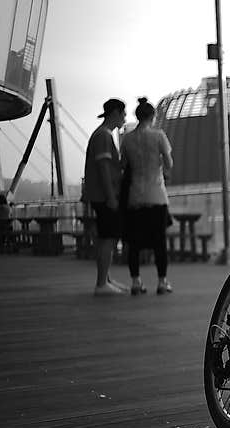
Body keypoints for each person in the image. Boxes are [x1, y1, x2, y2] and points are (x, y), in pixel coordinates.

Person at [120, 97, 174, 295]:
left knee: (133, 242)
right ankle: (162, 282)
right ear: (152, 116)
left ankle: (136, 282)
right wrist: (158, 161)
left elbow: (123, 165)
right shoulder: (158, 136)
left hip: (135, 196)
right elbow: (169, 164)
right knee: (159, 241)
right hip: (156, 195)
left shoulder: (127, 139)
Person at [82, 98, 127, 295]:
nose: (125, 118)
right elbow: (104, 169)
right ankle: (102, 283)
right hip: (104, 196)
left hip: (100, 195)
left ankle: (105, 279)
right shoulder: (103, 136)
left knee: (105, 237)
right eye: (123, 114)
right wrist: (111, 196)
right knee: (108, 238)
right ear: (116, 113)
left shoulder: (102, 135)